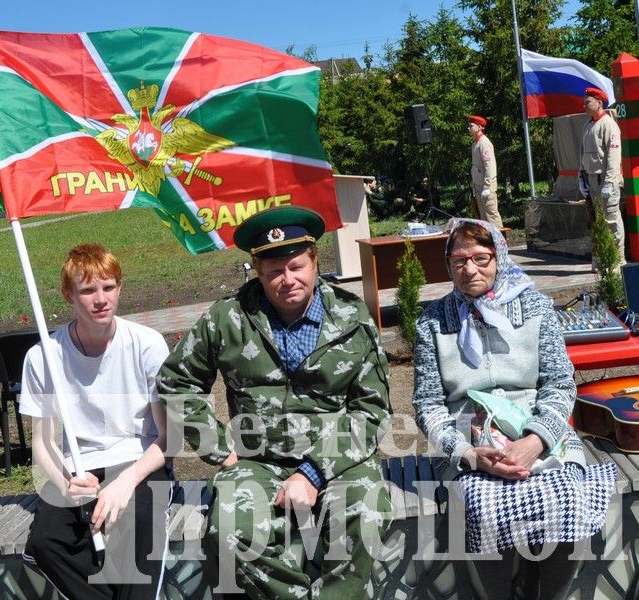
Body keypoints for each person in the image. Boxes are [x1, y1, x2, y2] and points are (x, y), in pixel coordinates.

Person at [157, 205, 392, 599]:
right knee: (231, 533)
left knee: (366, 516)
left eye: (297, 267)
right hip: (256, 461)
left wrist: (314, 473)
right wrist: (219, 450)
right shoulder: (228, 319)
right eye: (274, 273)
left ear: (315, 262)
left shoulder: (352, 318)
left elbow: (372, 410)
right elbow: (176, 381)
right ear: (258, 272)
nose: (287, 280)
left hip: (337, 457)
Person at [412, 218, 616, 600]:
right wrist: (467, 453)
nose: (470, 269)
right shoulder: (432, 322)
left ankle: (544, 591)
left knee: (571, 499)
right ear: (448, 265)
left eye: (481, 257)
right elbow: (427, 403)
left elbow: (559, 382)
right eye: (458, 260)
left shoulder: (536, 307)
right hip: (470, 440)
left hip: (540, 433)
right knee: (482, 507)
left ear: (499, 257)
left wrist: (535, 440)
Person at [19, 243, 171, 599]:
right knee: (45, 543)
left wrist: (127, 481)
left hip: (138, 462)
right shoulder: (43, 356)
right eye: (87, 290)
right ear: (68, 296)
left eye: (108, 287)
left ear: (119, 288)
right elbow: (43, 442)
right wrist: (65, 481)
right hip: (77, 467)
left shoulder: (147, 345)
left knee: (138, 536)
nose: (100, 299)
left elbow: (169, 437)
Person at [579, 87, 625, 267]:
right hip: (591, 180)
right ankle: (605, 257)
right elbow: (582, 154)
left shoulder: (608, 124)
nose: (584, 105)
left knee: (611, 220)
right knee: (598, 221)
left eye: (587, 102)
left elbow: (613, 157)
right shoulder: (588, 124)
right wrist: (581, 178)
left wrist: (609, 182)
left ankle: (619, 261)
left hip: (605, 180)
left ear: (599, 102)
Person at [468, 115, 503, 229]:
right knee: (483, 217)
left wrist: (487, 186)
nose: (468, 128)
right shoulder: (475, 144)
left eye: (471, 126)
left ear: (479, 127)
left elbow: (490, 166)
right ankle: (489, 243)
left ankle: (500, 243)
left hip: (486, 185)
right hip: (479, 186)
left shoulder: (484, 143)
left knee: (491, 215)